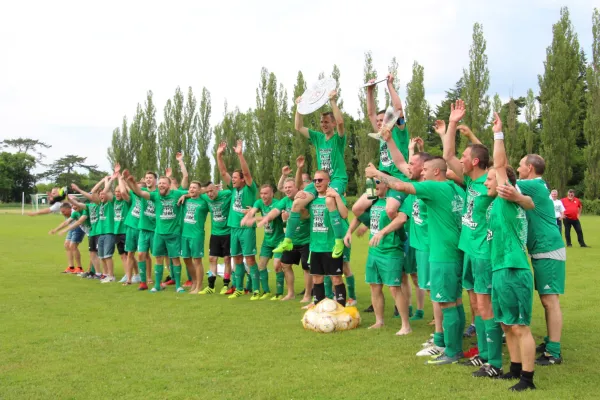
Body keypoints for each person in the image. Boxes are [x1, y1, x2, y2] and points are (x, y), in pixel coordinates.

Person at [366, 155, 466, 366]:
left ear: (436, 172)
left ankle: (452, 350)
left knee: (447, 303)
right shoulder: (455, 188)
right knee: (455, 302)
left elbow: (401, 186)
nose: (423, 172)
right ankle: (449, 345)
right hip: (453, 252)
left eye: (426, 169)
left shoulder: (435, 188)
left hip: (443, 254)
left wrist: (377, 174)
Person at [442, 100, 501, 372]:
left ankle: (492, 357)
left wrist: (493, 136)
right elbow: (448, 155)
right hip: (469, 249)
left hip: (483, 253)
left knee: (485, 304)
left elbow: (499, 164)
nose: (460, 161)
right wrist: (452, 123)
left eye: (466, 158)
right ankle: (484, 351)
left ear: (475, 161)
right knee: (476, 303)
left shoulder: (490, 182)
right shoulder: (468, 180)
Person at [499, 154, 569, 366]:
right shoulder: (535, 185)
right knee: (547, 300)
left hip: (548, 248)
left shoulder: (532, 185)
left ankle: (554, 352)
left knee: (550, 300)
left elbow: (501, 174)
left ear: (529, 168)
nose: (518, 169)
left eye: (520, 166)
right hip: (543, 249)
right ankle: (550, 343)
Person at [485, 112, 536, 390]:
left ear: (504, 182)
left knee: (519, 326)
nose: (487, 182)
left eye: (490, 178)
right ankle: (515, 369)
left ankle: (527, 379)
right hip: (500, 269)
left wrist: (498, 133)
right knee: (506, 325)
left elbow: (500, 162)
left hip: (514, 269)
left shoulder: (507, 196)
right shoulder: (496, 204)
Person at [274, 90, 347, 258]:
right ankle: (288, 240)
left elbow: (342, 123)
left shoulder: (338, 139)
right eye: (322, 122)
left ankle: (338, 241)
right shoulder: (317, 138)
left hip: (336, 180)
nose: (323, 124)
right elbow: (298, 126)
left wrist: (333, 101)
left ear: (333, 123)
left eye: (327, 121)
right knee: (298, 202)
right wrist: (299, 107)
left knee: (329, 200)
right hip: (319, 180)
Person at [344, 175, 411, 335]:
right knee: (374, 287)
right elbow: (359, 214)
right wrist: (349, 232)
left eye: (378, 182)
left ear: (387, 185)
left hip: (391, 251)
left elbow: (401, 222)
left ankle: (405, 325)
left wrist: (384, 231)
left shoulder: (394, 204)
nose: (375, 186)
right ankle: (379, 321)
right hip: (374, 251)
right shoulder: (373, 202)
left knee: (394, 288)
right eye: (373, 184)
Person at [353, 73, 410, 220]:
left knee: (391, 210)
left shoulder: (400, 131)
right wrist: (370, 91)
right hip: (379, 177)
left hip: (397, 178)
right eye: (377, 121)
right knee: (357, 208)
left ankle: (401, 237)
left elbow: (398, 109)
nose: (378, 122)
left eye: (382, 120)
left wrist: (389, 85)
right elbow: (371, 113)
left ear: (390, 119)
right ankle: (376, 228)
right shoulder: (380, 135)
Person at [124, 171, 188, 293]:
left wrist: (186, 196)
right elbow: (140, 192)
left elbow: (193, 192)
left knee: (175, 258)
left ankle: (178, 286)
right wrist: (130, 181)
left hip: (173, 233)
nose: (161, 185)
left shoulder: (176, 193)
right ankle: (157, 285)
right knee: (158, 258)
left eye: (164, 183)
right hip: (159, 233)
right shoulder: (155, 196)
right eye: (160, 183)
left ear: (169, 185)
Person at [260, 156, 311, 301]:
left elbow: (306, 216)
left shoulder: (303, 198)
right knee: (285, 265)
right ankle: (290, 293)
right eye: (286, 188)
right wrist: (266, 218)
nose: (287, 190)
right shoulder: (284, 200)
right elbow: (275, 211)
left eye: (290, 187)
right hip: (291, 240)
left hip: (306, 239)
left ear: (297, 188)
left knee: (306, 268)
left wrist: (292, 215)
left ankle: (307, 295)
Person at [216, 140, 259, 300]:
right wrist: (218, 156)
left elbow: (247, 174)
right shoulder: (233, 189)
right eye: (232, 177)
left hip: (247, 228)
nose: (232, 179)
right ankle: (239, 288)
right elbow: (222, 172)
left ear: (242, 179)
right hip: (233, 227)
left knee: (250, 258)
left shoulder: (249, 187)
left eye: (235, 177)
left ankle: (255, 289)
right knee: (237, 259)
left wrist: (240, 154)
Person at [306, 170, 349, 307]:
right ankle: (318, 305)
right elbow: (303, 215)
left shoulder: (334, 197)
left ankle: (341, 307)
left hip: (332, 245)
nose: (317, 183)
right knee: (317, 278)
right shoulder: (311, 199)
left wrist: (336, 196)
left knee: (336, 278)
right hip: (315, 245)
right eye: (315, 180)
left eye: (320, 180)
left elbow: (344, 214)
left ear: (328, 182)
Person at [201, 183, 233, 294]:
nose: (209, 194)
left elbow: (234, 191)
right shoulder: (206, 197)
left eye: (211, 190)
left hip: (228, 233)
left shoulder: (226, 194)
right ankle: (211, 286)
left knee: (227, 259)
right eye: (207, 192)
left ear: (217, 188)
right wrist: (184, 196)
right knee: (212, 259)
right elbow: (194, 192)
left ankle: (225, 284)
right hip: (215, 233)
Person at [179, 181, 209, 294]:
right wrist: (184, 195)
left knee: (197, 260)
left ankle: (199, 287)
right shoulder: (186, 200)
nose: (191, 189)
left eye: (194, 188)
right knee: (186, 259)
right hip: (184, 234)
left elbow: (211, 196)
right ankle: (194, 282)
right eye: (190, 187)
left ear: (200, 190)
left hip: (196, 235)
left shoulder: (204, 202)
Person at [136, 171, 158, 290]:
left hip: (155, 230)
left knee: (159, 256)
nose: (148, 179)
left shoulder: (159, 193)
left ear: (155, 180)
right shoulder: (143, 193)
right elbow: (136, 191)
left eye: (150, 177)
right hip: (143, 230)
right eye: (146, 178)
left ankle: (169, 280)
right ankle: (143, 282)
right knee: (140, 254)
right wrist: (128, 180)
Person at [48, 203, 85, 274]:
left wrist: (59, 230)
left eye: (63, 211)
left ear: (69, 209)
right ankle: (71, 267)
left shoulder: (74, 212)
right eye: (61, 212)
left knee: (73, 246)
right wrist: (56, 230)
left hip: (79, 228)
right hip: (71, 228)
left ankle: (79, 268)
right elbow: (65, 222)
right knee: (66, 245)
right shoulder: (67, 213)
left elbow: (66, 223)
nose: (62, 213)